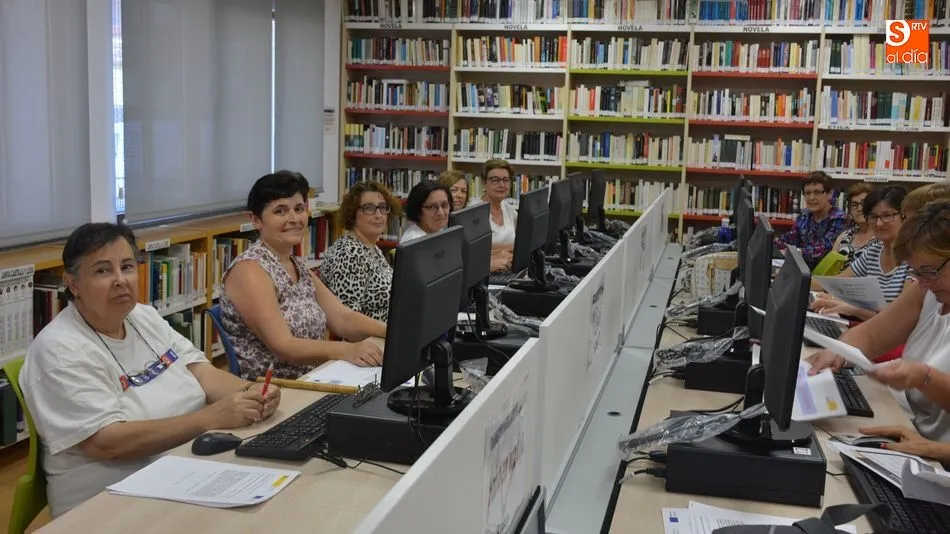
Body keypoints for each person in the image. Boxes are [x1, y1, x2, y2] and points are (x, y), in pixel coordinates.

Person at [20, 223, 282, 518]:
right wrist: (210, 418)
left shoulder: (142, 316)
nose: (120, 280)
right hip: (108, 505)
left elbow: (200, 372)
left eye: (128, 266)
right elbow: (108, 443)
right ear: (73, 283)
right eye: (103, 271)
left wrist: (249, 393)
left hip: (181, 472)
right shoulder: (59, 350)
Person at [807, 199, 950, 457]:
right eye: (917, 273)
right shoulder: (926, 290)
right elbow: (873, 333)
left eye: (929, 271)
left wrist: (924, 377)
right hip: (912, 431)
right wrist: (839, 350)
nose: (923, 282)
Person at [220, 172, 387, 381]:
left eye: (299, 209)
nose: (294, 219)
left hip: (315, 379)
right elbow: (284, 346)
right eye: (280, 211)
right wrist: (346, 350)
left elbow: (343, 319)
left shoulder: (296, 265)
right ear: (256, 220)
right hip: (274, 394)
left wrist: (390, 332)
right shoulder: (249, 270)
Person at [811, 186, 910, 320]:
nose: (879, 223)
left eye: (887, 216)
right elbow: (838, 281)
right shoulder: (873, 251)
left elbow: (900, 318)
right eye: (873, 217)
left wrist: (850, 308)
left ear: (905, 216)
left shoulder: (915, 258)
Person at [319, 180, 402, 323]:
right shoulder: (348, 253)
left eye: (383, 207)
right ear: (353, 213)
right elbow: (347, 321)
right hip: (369, 340)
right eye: (369, 208)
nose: (378, 215)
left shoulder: (372, 247)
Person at [774, 171, 848, 270]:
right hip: (801, 271)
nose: (811, 198)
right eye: (807, 193)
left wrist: (794, 252)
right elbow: (790, 238)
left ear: (829, 194)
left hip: (823, 277)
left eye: (817, 192)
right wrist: (771, 243)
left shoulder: (840, 219)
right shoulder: (805, 215)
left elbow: (823, 250)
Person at [470, 158, 516, 271]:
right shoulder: (472, 213)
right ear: (484, 183)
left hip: (507, 269)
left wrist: (498, 251)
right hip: (484, 272)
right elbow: (470, 252)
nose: (502, 185)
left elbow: (521, 244)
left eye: (506, 180)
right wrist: (502, 252)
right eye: (495, 180)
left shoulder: (510, 210)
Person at [832, 182, 875, 266]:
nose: (859, 208)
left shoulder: (883, 236)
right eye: (854, 205)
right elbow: (830, 267)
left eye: (864, 203)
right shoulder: (843, 237)